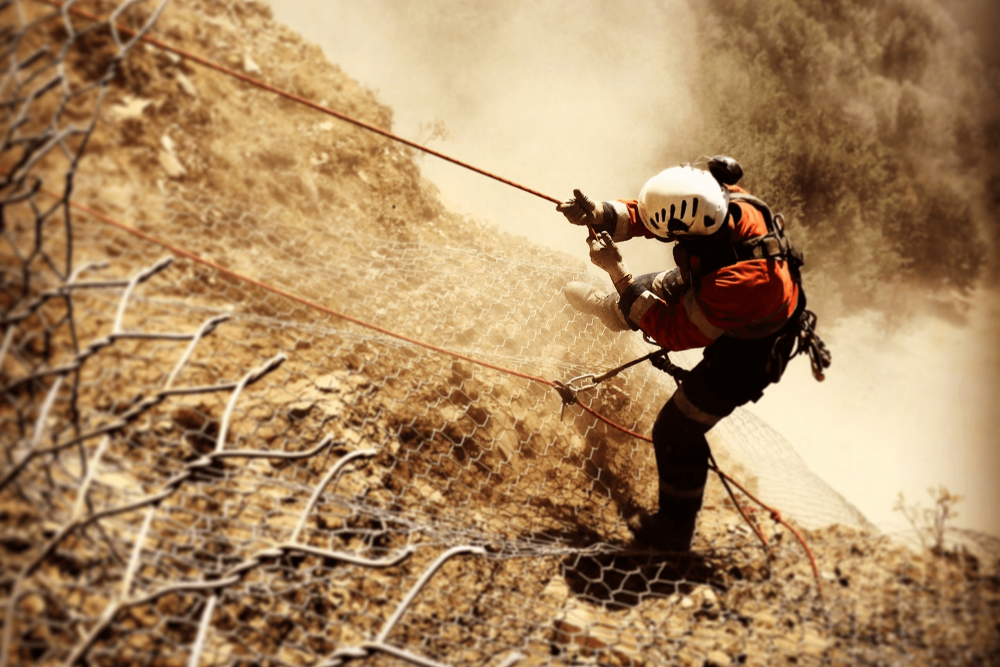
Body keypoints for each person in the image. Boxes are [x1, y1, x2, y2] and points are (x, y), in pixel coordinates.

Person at [556, 156, 830, 551]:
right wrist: (597, 213)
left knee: (676, 429)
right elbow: (651, 215)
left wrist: (618, 272)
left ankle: (674, 531)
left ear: (690, 232)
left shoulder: (745, 281)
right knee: (641, 297)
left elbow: (673, 329)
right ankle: (611, 309)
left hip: (750, 353)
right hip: (717, 283)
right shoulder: (719, 202)